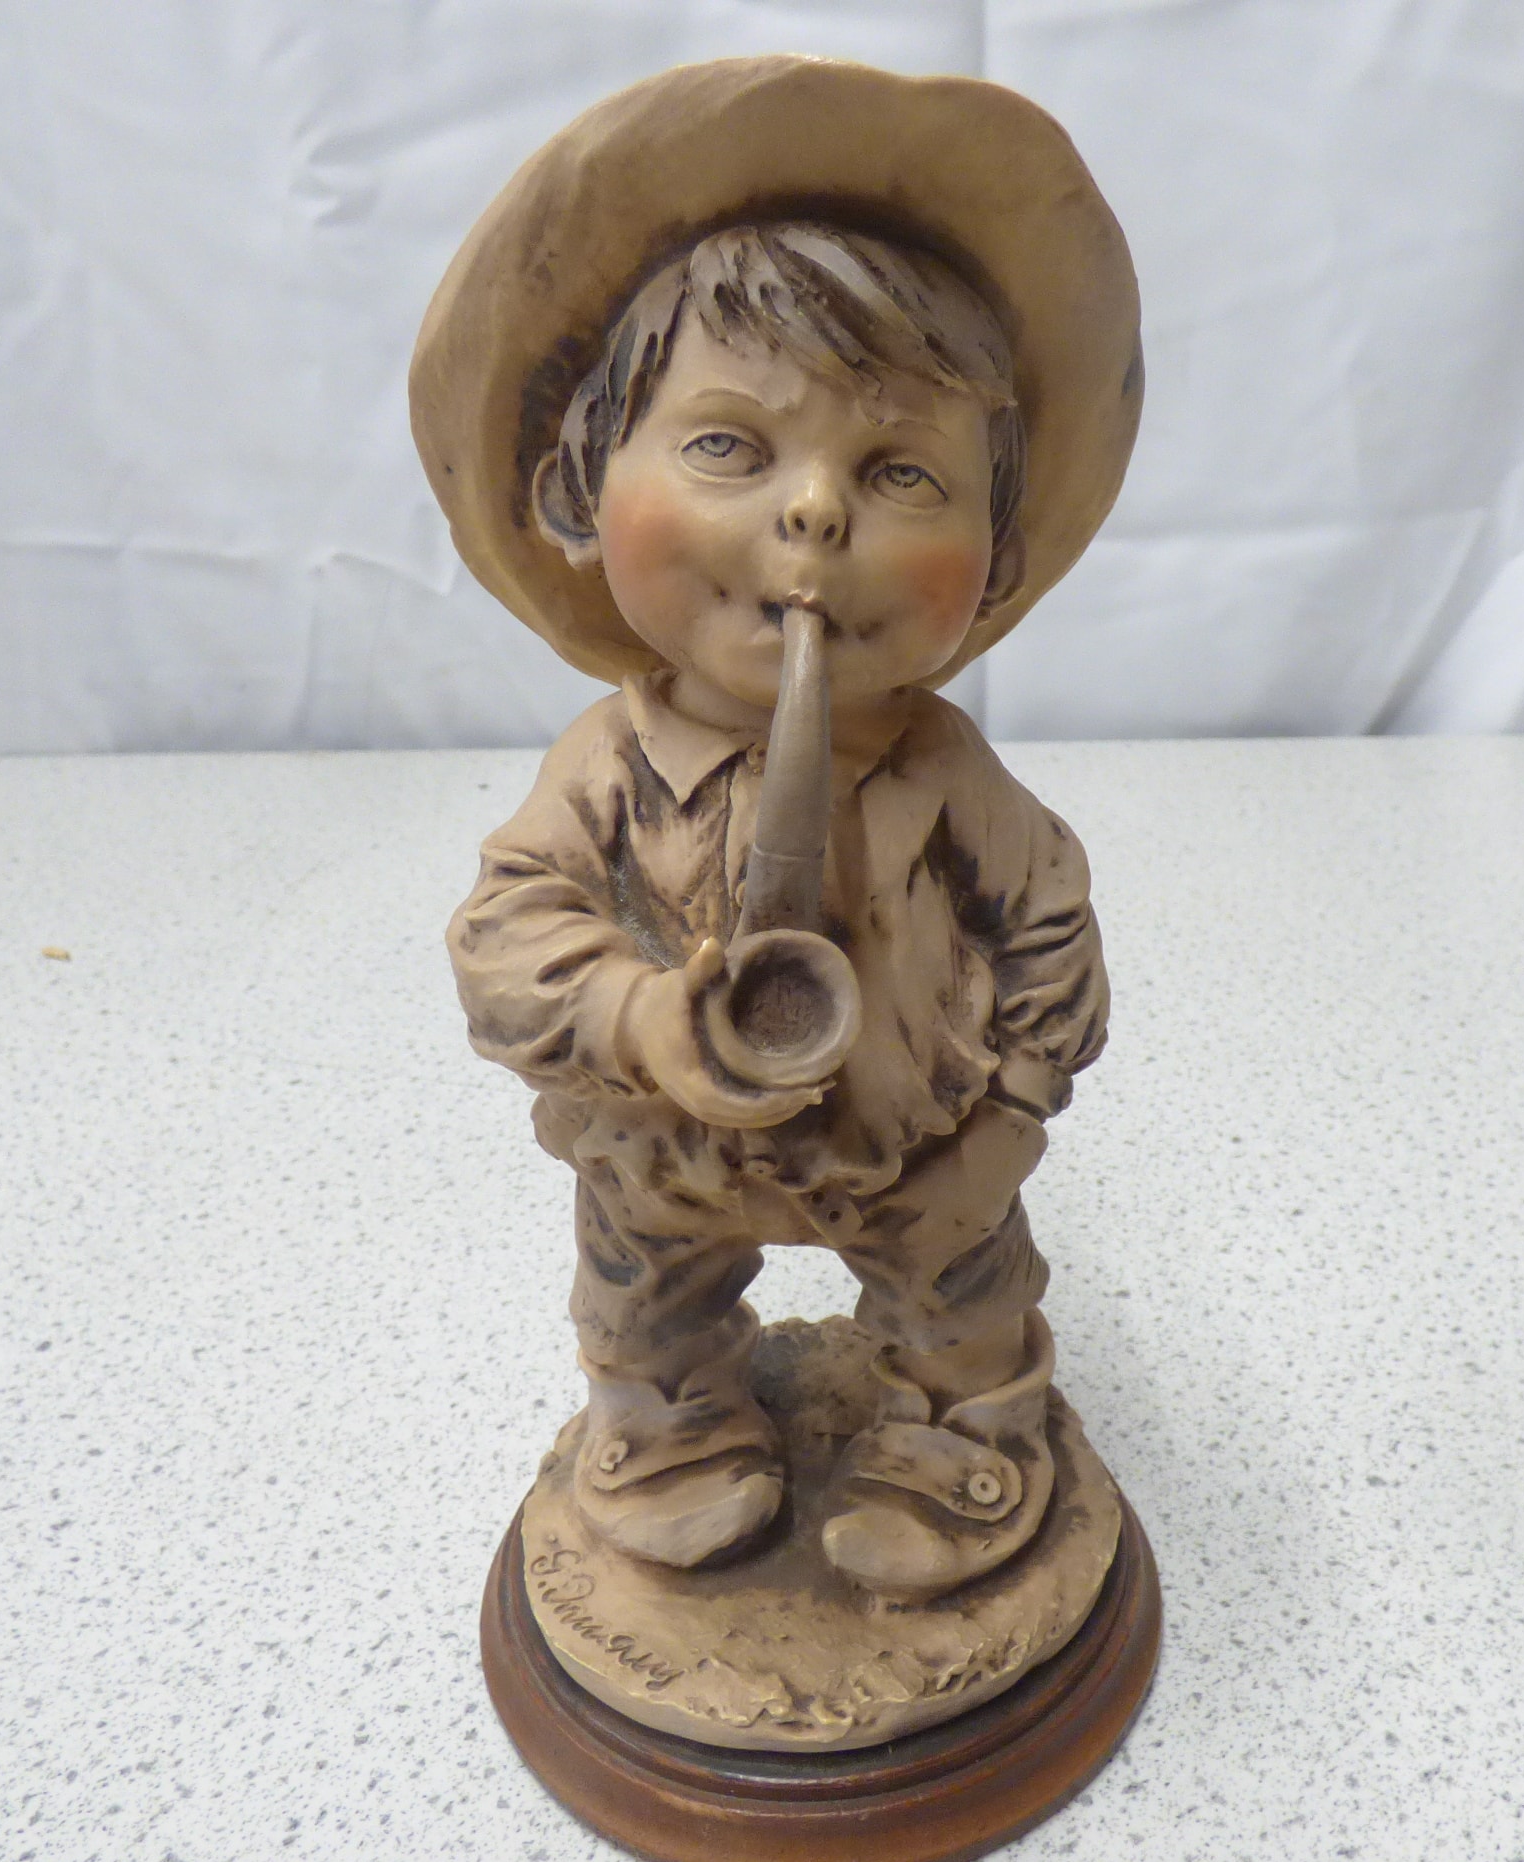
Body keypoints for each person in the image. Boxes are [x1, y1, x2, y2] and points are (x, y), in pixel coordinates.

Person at [411, 56, 1142, 1604]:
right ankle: (670, 1420)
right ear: (580, 481)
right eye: (730, 448)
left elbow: (1048, 926)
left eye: (899, 472)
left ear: (997, 554)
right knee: (641, 1289)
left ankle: (961, 1434)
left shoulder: (947, 776)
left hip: (919, 1156)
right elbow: (505, 940)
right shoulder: (607, 769)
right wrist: (636, 1020)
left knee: (962, 1295)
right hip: (665, 1153)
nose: (814, 514)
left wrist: (1007, 1117)